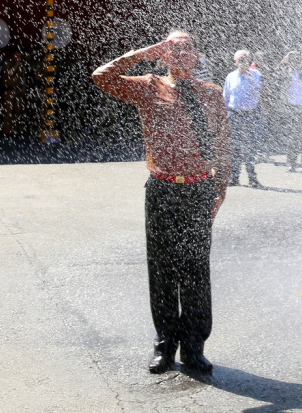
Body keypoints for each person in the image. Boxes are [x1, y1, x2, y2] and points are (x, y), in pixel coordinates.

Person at [92, 30, 231, 375]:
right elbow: (101, 77)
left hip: (199, 188)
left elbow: (224, 141)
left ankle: (194, 346)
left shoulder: (211, 94)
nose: (181, 52)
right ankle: (165, 344)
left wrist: (222, 186)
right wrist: (142, 52)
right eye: (173, 48)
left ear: (197, 57)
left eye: (187, 48)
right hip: (163, 189)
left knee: (196, 269)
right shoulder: (149, 86)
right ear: (163, 55)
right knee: (164, 269)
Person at [223, 49, 262, 187]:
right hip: (234, 114)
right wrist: (224, 115)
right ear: (236, 62)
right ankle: (234, 177)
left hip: (249, 114)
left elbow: (259, 90)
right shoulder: (230, 76)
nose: (243, 63)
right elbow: (225, 97)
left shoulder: (256, 74)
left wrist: (248, 76)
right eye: (240, 60)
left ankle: (252, 177)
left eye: (246, 60)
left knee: (250, 147)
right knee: (234, 148)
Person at [0, 49, 26, 135]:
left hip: (17, 90)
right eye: (16, 56)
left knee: (17, 110)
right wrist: (17, 64)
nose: (18, 58)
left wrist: (23, 87)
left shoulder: (22, 65)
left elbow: (22, 76)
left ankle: (14, 129)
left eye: (19, 56)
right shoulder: (7, 63)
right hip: (9, 90)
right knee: (8, 111)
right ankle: (7, 130)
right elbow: (9, 73)